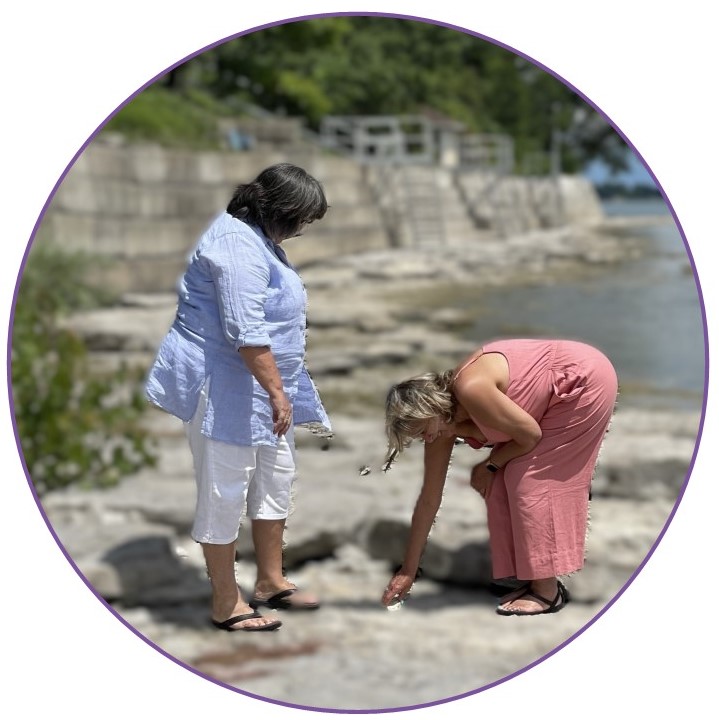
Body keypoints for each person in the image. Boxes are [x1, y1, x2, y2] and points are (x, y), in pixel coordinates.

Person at [145, 163, 332, 632]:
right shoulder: (235, 244)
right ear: (280, 209)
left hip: (264, 384)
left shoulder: (260, 239)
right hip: (228, 384)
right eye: (302, 219)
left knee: (275, 477)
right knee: (225, 489)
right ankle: (225, 601)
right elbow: (244, 329)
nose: (303, 230)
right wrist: (276, 392)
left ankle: (270, 581)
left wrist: (279, 390)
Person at [380, 338, 618, 616]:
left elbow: (530, 436)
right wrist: (408, 570)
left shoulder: (471, 389)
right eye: (419, 437)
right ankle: (524, 577)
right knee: (502, 479)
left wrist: (490, 464)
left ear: (431, 407)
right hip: (558, 389)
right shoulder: (440, 426)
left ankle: (547, 592)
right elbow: (429, 500)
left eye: (423, 430)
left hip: (582, 378)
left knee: (526, 478)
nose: (427, 438)